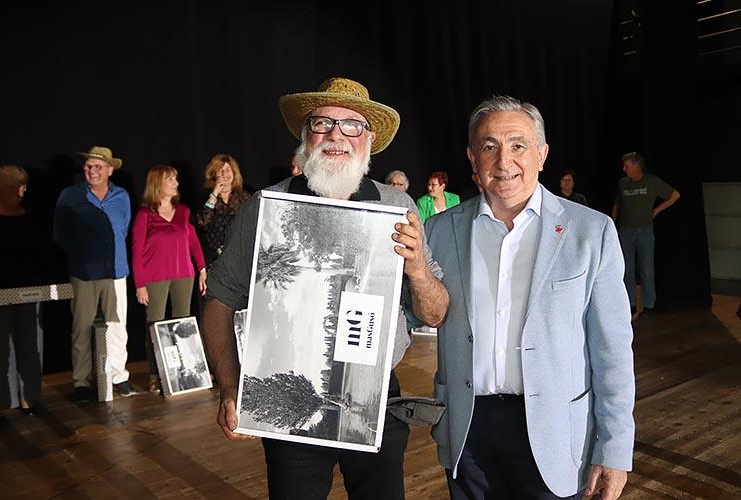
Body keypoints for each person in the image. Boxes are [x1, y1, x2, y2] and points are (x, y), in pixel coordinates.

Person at [201, 76, 448, 500]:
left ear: (369, 139)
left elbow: (436, 314)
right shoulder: (267, 206)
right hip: (289, 408)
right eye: (322, 123)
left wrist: (419, 271)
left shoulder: (398, 207)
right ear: (305, 135)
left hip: (376, 400)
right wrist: (230, 386)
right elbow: (218, 300)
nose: (336, 135)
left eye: (351, 125)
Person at [424, 96, 635, 499]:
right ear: (472, 158)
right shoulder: (440, 230)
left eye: (518, 145)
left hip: (555, 433)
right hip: (468, 432)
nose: (504, 161)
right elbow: (418, 312)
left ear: (542, 154)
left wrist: (615, 446)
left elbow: (613, 350)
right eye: (489, 146)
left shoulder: (591, 232)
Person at [53, 146, 133, 401]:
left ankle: (118, 376)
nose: (92, 170)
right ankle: (82, 382)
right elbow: (60, 233)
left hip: (115, 271)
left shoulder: (121, 196)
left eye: (98, 166)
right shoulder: (70, 195)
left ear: (110, 170)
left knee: (117, 326)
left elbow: (123, 229)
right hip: (83, 272)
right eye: (88, 166)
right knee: (82, 328)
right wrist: (83, 252)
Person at [132, 164, 207, 395]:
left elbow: (193, 242)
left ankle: (183, 374)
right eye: (170, 179)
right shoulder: (145, 214)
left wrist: (202, 268)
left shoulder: (183, 211)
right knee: (154, 325)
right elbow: (136, 251)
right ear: (158, 183)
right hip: (155, 276)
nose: (176, 183)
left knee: (182, 324)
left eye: (176, 179)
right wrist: (139, 284)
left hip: (183, 274)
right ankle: (156, 376)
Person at [0, 166, 43, 417]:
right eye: (15, 187)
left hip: (26, 291)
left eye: (23, 187)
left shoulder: (28, 217)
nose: (21, 192)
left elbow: (38, 252)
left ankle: (29, 398)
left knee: (29, 347)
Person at [611, 152, 680, 316]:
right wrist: (612, 224)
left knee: (647, 269)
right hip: (626, 231)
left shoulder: (652, 181)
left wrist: (656, 210)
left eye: (627, 166)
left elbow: (675, 195)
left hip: (644, 231)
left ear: (637, 166)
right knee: (627, 269)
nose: (624, 169)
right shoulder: (623, 183)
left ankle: (649, 305)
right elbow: (617, 204)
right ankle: (630, 304)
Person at [195, 154, 251, 269]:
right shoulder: (205, 196)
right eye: (220, 170)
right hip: (212, 257)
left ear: (234, 174)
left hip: (237, 256)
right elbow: (202, 222)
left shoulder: (243, 197)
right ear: (214, 174)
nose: (224, 174)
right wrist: (214, 194)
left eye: (228, 170)